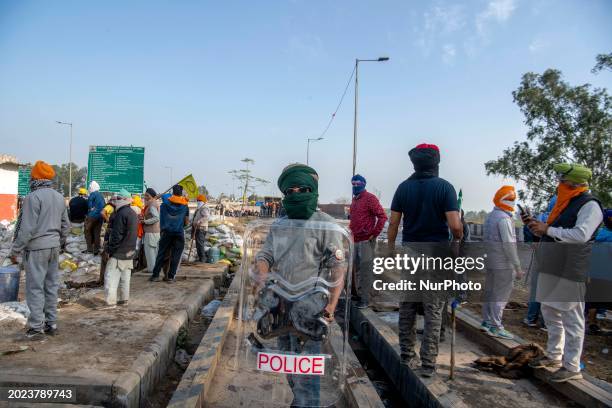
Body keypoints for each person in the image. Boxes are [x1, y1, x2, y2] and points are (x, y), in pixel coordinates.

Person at [254, 164, 347, 407]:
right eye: (291, 191)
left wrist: (332, 305)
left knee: (307, 369)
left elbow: (338, 267)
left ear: (313, 190)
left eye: (303, 189)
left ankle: (308, 404)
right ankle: (301, 402)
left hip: (311, 308)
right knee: (288, 362)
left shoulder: (325, 225)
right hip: (280, 307)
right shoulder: (279, 225)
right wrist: (261, 277)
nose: (296, 194)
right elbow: (265, 256)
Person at [387, 143, 463, 378]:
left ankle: (406, 355)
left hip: (411, 253)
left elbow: (393, 223)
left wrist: (390, 248)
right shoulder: (445, 188)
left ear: (414, 163)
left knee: (407, 306)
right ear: (436, 162)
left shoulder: (403, 188)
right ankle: (428, 364)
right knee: (433, 310)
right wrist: (458, 236)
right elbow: (454, 226)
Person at [527, 163, 603, 382]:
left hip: (571, 268)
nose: (559, 185)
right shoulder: (565, 204)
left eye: (562, 181)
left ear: (574, 184)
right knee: (550, 311)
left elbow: (580, 235)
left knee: (572, 317)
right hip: (553, 265)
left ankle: (571, 367)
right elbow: (557, 231)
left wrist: (548, 229)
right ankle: (554, 356)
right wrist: (539, 228)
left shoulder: (590, 205)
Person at [9, 161, 70, 340]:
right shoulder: (59, 197)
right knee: (51, 286)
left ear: (35, 177)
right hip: (53, 247)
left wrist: (15, 249)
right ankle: (51, 324)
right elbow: (65, 225)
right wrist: (59, 241)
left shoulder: (32, 198)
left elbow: (26, 229)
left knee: (35, 288)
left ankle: (36, 327)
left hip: (36, 249)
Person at [481, 185, 523, 340]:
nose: (513, 202)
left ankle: (486, 322)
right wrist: (517, 266)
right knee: (500, 295)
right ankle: (496, 326)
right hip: (503, 264)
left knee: (490, 292)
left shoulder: (491, 216)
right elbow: (509, 245)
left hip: (491, 261)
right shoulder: (504, 219)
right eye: (511, 199)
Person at [349, 174, 388, 309]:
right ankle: (359, 294)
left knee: (366, 270)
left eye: (358, 184)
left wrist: (374, 234)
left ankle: (366, 299)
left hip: (366, 240)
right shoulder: (354, 200)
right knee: (356, 269)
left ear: (363, 184)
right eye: (353, 184)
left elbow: (382, 217)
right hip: (355, 240)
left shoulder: (370, 198)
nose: (355, 186)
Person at [523, 195, 557, 328]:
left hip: (539, 255)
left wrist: (533, 243)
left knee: (536, 289)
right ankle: (545, 322)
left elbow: (528, 230)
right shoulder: (558, 220)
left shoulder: (540, 217)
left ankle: (531, 318)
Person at [103, 189, 138, 307]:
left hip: (119, 252)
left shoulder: (120, 214)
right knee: (125, 278)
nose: (116, 201)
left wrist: (110, 250)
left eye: (118, 198)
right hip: (130, 251)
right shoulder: (132, 213)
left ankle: (111, 302)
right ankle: (124, 300)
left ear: (124, 199)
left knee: (111, 278)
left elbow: (116, 235)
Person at [149, 185, 189, 282]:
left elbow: (161, 217)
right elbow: (187, 222)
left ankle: (155, 275)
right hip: (178, 233)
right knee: (176, 255)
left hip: (166, 232)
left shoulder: (165, 204)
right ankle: (171, 277)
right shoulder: (185, 206)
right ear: (181, 193)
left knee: (161, 253)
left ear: (173, 192)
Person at [141, 188, 161, 273]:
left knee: (150, 252)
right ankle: (153, 269)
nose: (145, 197)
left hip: (151, 232)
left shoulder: (152, 205)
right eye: (145, 195)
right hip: (154, 232)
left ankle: (152, 270)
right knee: (153, 252)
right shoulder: (153, 203)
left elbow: (156, 218)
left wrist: (145, 221)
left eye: (147, 195)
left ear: (152, 196)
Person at [84, 180, 105, 254]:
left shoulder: (92, 194)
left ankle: (89, 249)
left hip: (92, 216)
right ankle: (96, 249)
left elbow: (89, 203)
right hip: (100, 216)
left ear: (91, 188)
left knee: (87, 231)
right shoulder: (101, 195)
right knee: (97, 233)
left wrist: (91, 208)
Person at [192, 194, 210, 262]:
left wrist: (199, 221)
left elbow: (206, 217)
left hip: (201, 228)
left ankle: (202, 259)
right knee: (198, 244)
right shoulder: (200, 208)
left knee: (200, 244)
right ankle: (201, 258)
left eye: (199, 201)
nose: (198, 202)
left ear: (202, 201)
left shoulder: (204, 208)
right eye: (197, 201)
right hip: (198, 228)